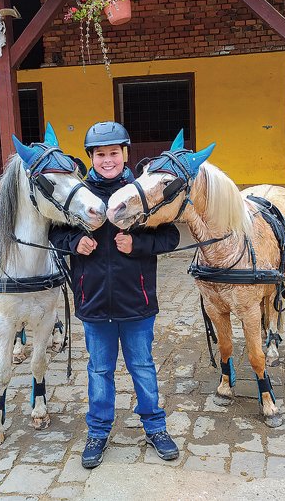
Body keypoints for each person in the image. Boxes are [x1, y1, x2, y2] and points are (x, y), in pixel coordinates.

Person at [49, 121, 180, 469]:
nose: (108, 160)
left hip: (136, 301)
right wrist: (75, 243)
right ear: (91, 157)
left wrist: (137, 244)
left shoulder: (142, 193)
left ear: (125, 154)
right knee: (99, 371)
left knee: (142, 367)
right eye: (100, 154)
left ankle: (156, 427)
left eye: (113, 153)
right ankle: (98, 432)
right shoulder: (76, 194)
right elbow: (55, 234)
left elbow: (171, 237)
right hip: (93, 301)